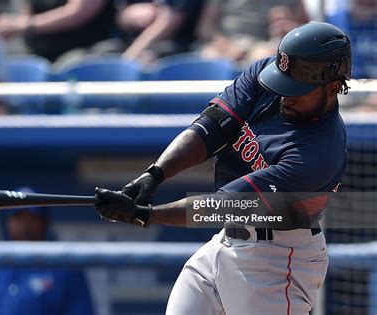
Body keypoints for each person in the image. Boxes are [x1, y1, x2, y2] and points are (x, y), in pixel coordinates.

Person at [94, 22, 351, 314]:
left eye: (297, 89)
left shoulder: (318, 155)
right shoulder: (269, 76)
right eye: (284, 82)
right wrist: (154, 174)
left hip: (278, 263)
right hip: (226, 242)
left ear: (332, 87)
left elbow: (224, 206)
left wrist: (146, 215)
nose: (284, 94)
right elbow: (211, 127)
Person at [0, 188, 94, 315]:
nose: (25, 225)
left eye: (32, 217)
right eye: (18, 217)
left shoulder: (65, 268)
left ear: (45, 222)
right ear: (8, 221)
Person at [0, 0, 116, 63]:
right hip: (36, 50)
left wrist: (25, 24)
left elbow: (77, 14)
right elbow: (26, 14)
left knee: (69, 64)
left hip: (85, 49)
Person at [195, 0, 308, 65]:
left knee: (265, 58)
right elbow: (205, 28)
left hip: (262, 45)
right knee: (209, 57)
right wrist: (226, 47)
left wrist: (286, 27)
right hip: (224, 44)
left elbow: (304, 28)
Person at [92, 0, 204, 66]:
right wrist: (128, 15)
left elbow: (169, 22)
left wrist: (130, 56)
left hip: (174, 44)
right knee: (102, 52)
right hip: (129, 42)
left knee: (156, 58)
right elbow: (120, 16)